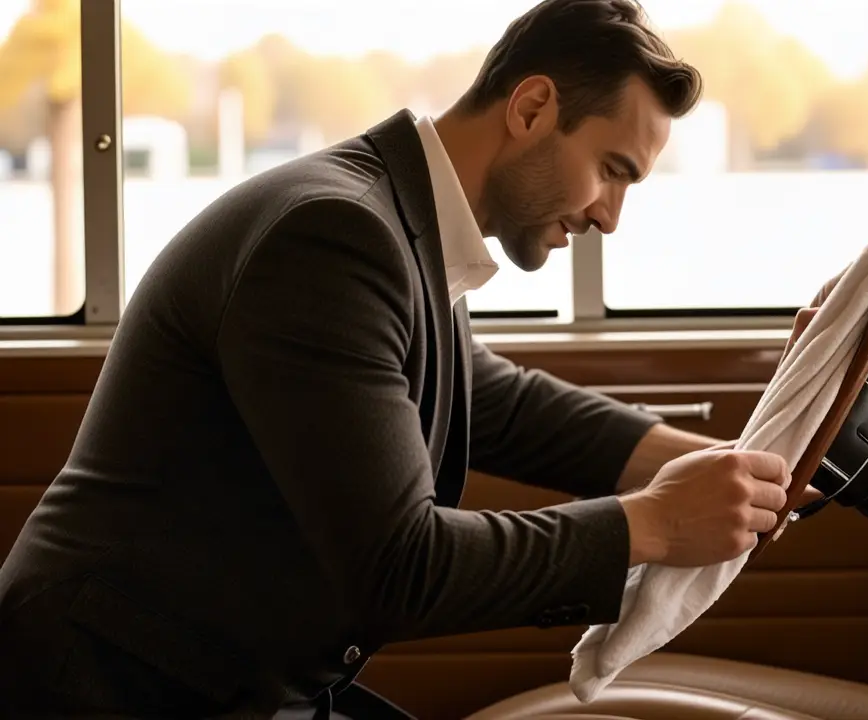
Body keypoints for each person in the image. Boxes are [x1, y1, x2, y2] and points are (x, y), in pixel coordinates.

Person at [0, 0, 820, 717]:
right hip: (110, 685)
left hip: (214, 677)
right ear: (533, 108)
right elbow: (401, 569)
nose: (610, 217)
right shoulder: (334, 236)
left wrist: (712, 464)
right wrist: (655, 524)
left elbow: (489, 397)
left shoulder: (393, 217)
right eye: (612, 172)